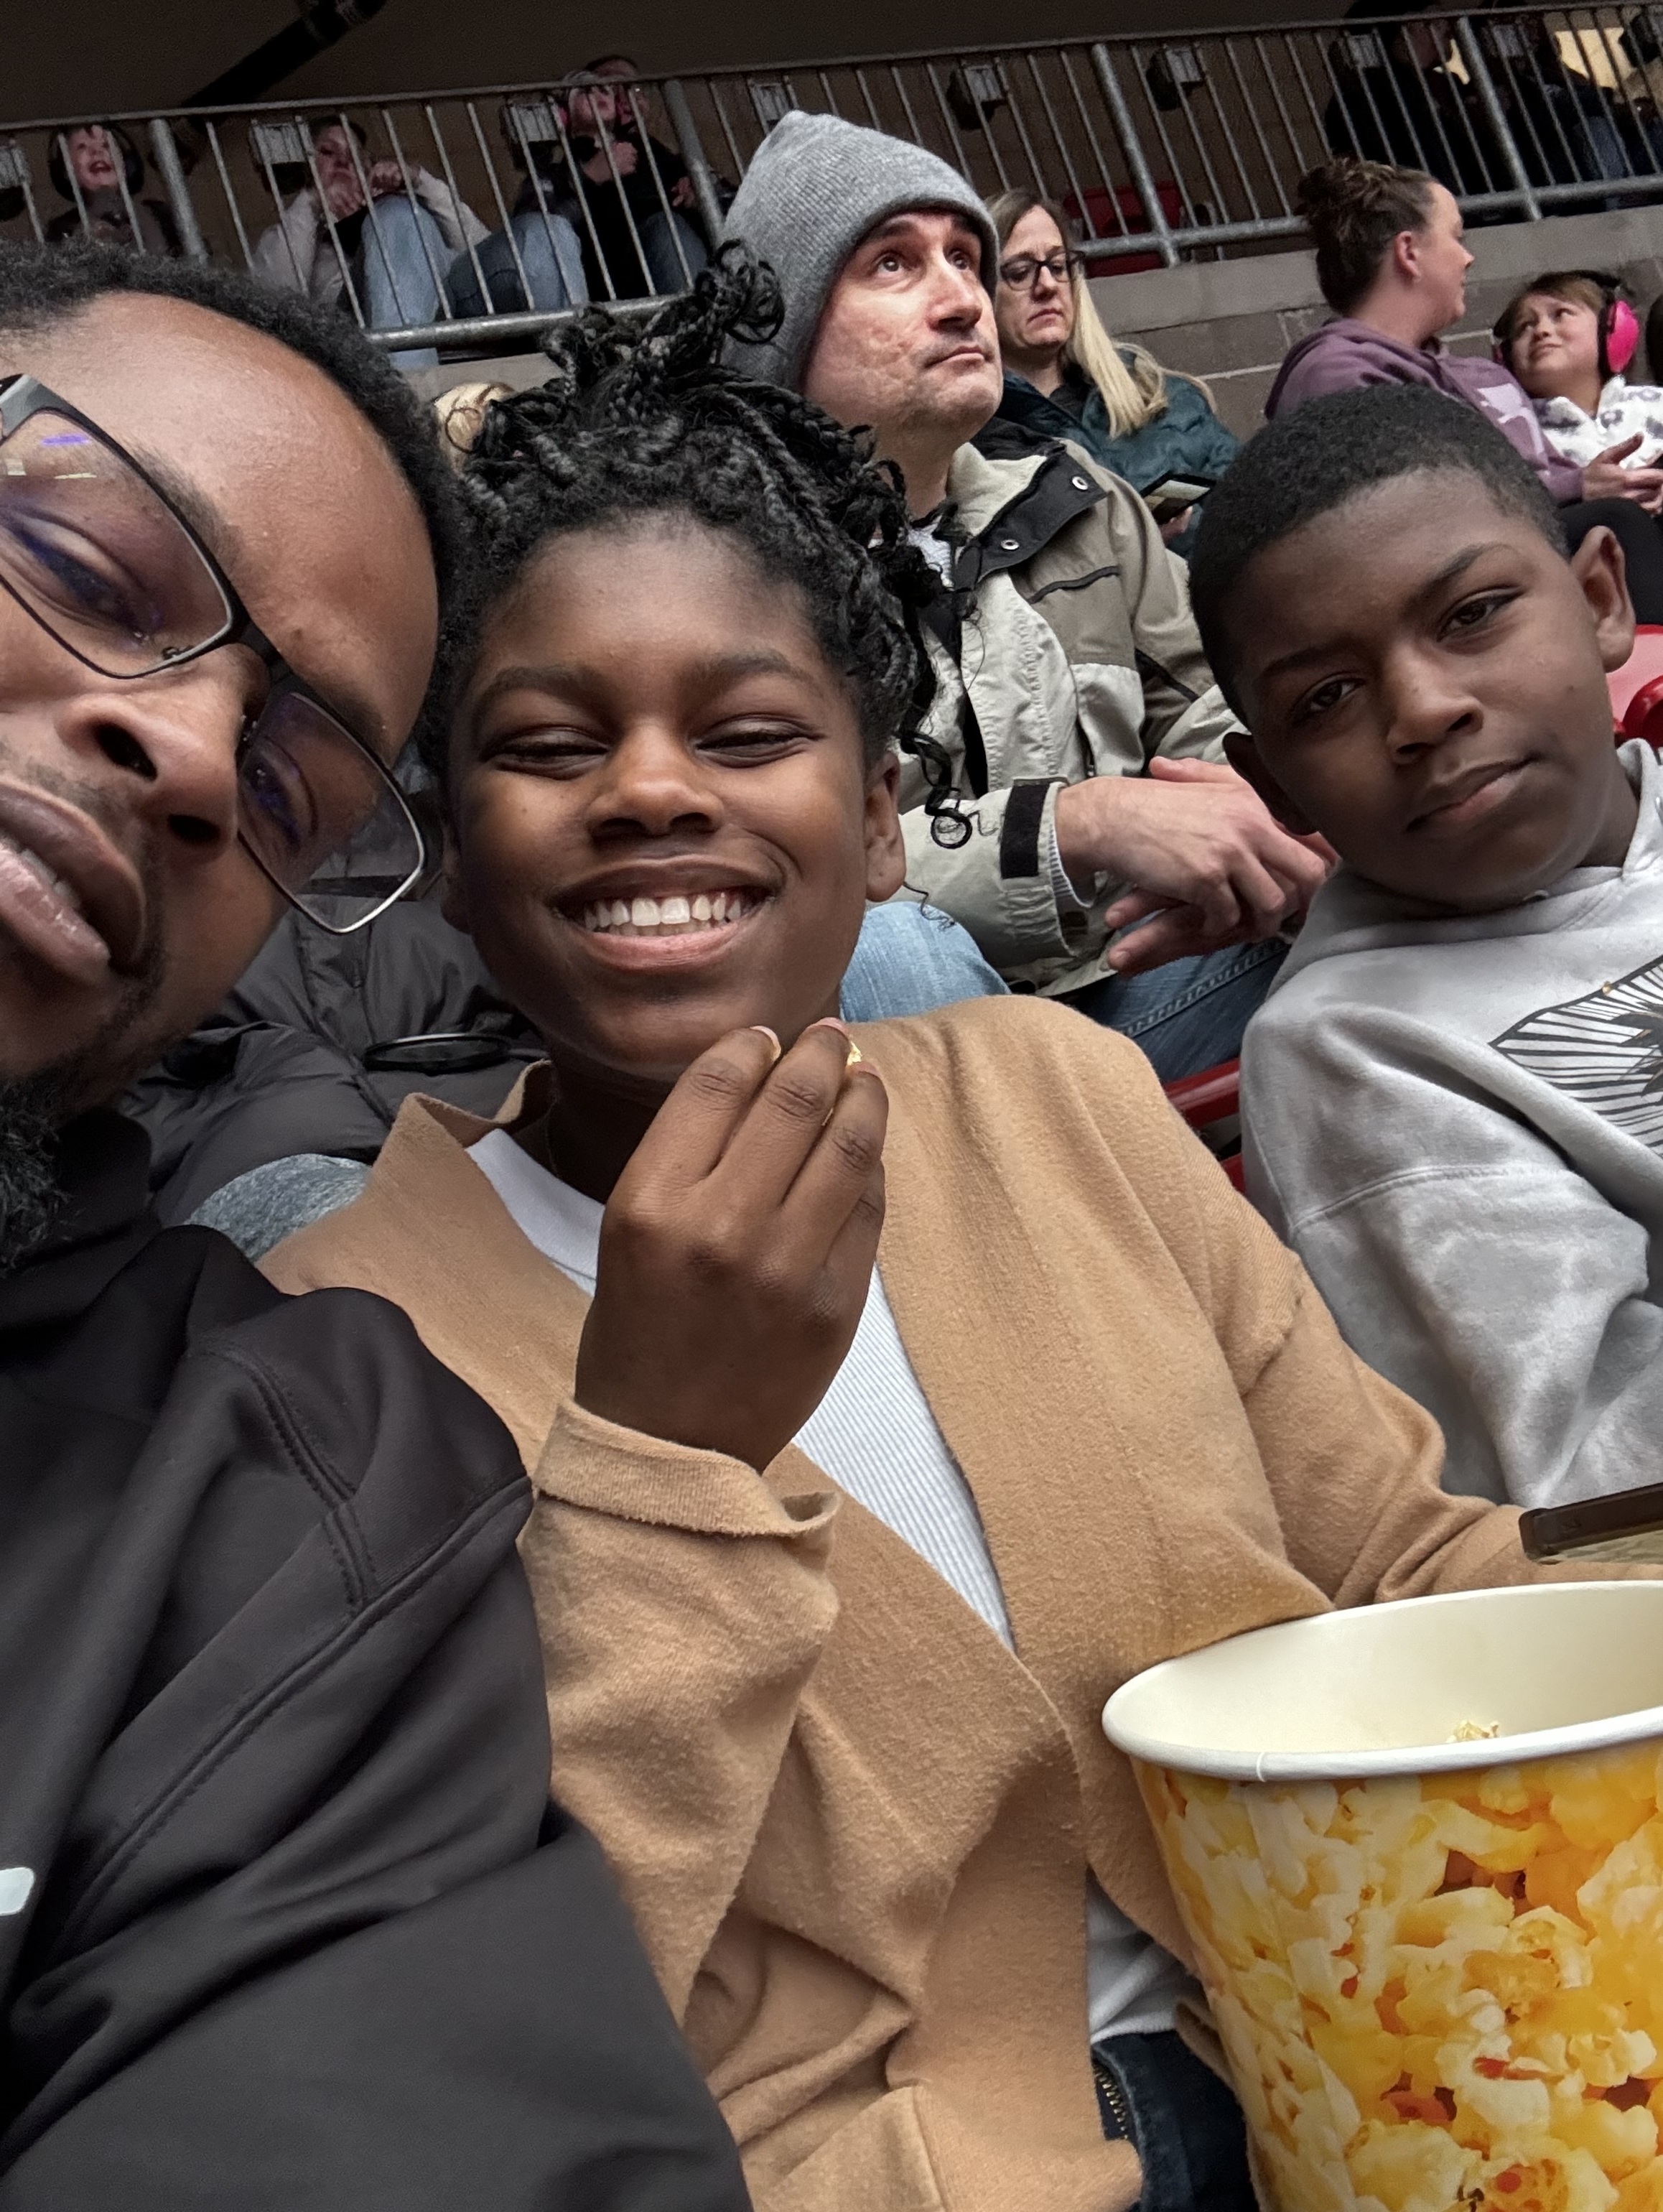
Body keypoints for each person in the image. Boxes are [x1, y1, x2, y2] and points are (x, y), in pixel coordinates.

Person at [266, 259, 1635, 2212]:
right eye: (551, 748)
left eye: (748, 732)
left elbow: (1397, 1571)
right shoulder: (333, 1345)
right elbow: (461, 2012)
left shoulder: (1055, 1101)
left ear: (881, 818)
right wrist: (659, 1462)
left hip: (1384, 2072)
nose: (649, 791)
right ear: (453, 859)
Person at [0, 240, 750, 2211]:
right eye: (83, 571)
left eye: (290, 781)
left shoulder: (294, 1486)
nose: (187, 753)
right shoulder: (346, 1236)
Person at [720, 111, 1331, 1081]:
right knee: (880, 948)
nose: (963, 300)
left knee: (1381, 859)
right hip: (924, 1046)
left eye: (965, 259)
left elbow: (1209, 710)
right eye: (893, 263)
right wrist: (1078, 828)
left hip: (1142, 978)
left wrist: (1273, 807)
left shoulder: (1082, 502)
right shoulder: (725, 576)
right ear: (782, 332)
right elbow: (766, 875)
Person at [1192, 381, 1663, 1510]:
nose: (1422, 709)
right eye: (1327, 698)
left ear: (1602, 599)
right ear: (1275, 786)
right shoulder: (1356, 1052)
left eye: (1472, 615)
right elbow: (1593, 1492)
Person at [1269, 157, 1663, 618]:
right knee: (1614, 523)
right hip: (1452, 581)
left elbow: (1564, 480)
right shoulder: (1338, 373)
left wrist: (1625, 484)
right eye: (1456, 237)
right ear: (1409, 252)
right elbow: (1408, 515)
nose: (1468, 257)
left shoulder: (1482, 375)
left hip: (1532, 545)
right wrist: (1579, 488)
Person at [973, 188, 1239, 558]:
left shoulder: (1159, 393)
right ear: (980, 292)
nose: (1047, 286)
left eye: (1058, 266)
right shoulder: (973, 444)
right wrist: (1133, 555)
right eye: (1019, 272)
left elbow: (1254, 505)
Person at [252, 118, 488, 368]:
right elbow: (272, 301)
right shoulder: (295, 230)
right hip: (353, 334)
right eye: (328, 152)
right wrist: (312, 203)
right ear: (307, 167)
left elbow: (483, 258)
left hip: (439, 310)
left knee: (396, 214)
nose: (344, 161)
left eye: (355, 156)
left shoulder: (408, 211)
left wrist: (422, 182)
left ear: (368, 168)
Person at [1497, 270, 1663, 478]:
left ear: (1610, 328)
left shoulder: (1657, 404)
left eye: (1560, 314)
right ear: (1507, 359)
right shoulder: (1514, 439)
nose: (1541, 331)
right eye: (1525, 326)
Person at [45, 124, 178, 257]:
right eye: (82, 147)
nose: (96, 151)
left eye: (106, 145)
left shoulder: (163, 215)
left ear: (126, 164)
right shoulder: (63, 229)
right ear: (66, 171)